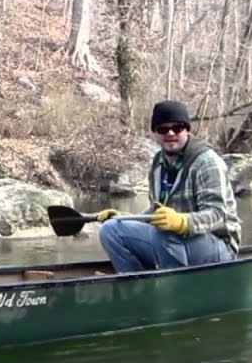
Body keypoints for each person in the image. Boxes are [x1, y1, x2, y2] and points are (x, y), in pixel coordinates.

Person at [94, 100, 241, 272]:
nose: (170, 133)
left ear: (187, 130)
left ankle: (172, 288)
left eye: (177, 128)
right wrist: (123, 218)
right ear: (155, 133)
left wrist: (182, 222)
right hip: (174, 240)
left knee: (164, 231)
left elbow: (218, 215)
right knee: (110, 229)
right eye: (163, 129)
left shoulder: (207, 162)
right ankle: (135, 285)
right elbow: (156, 213)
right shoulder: (158, 163)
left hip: (218, 247)